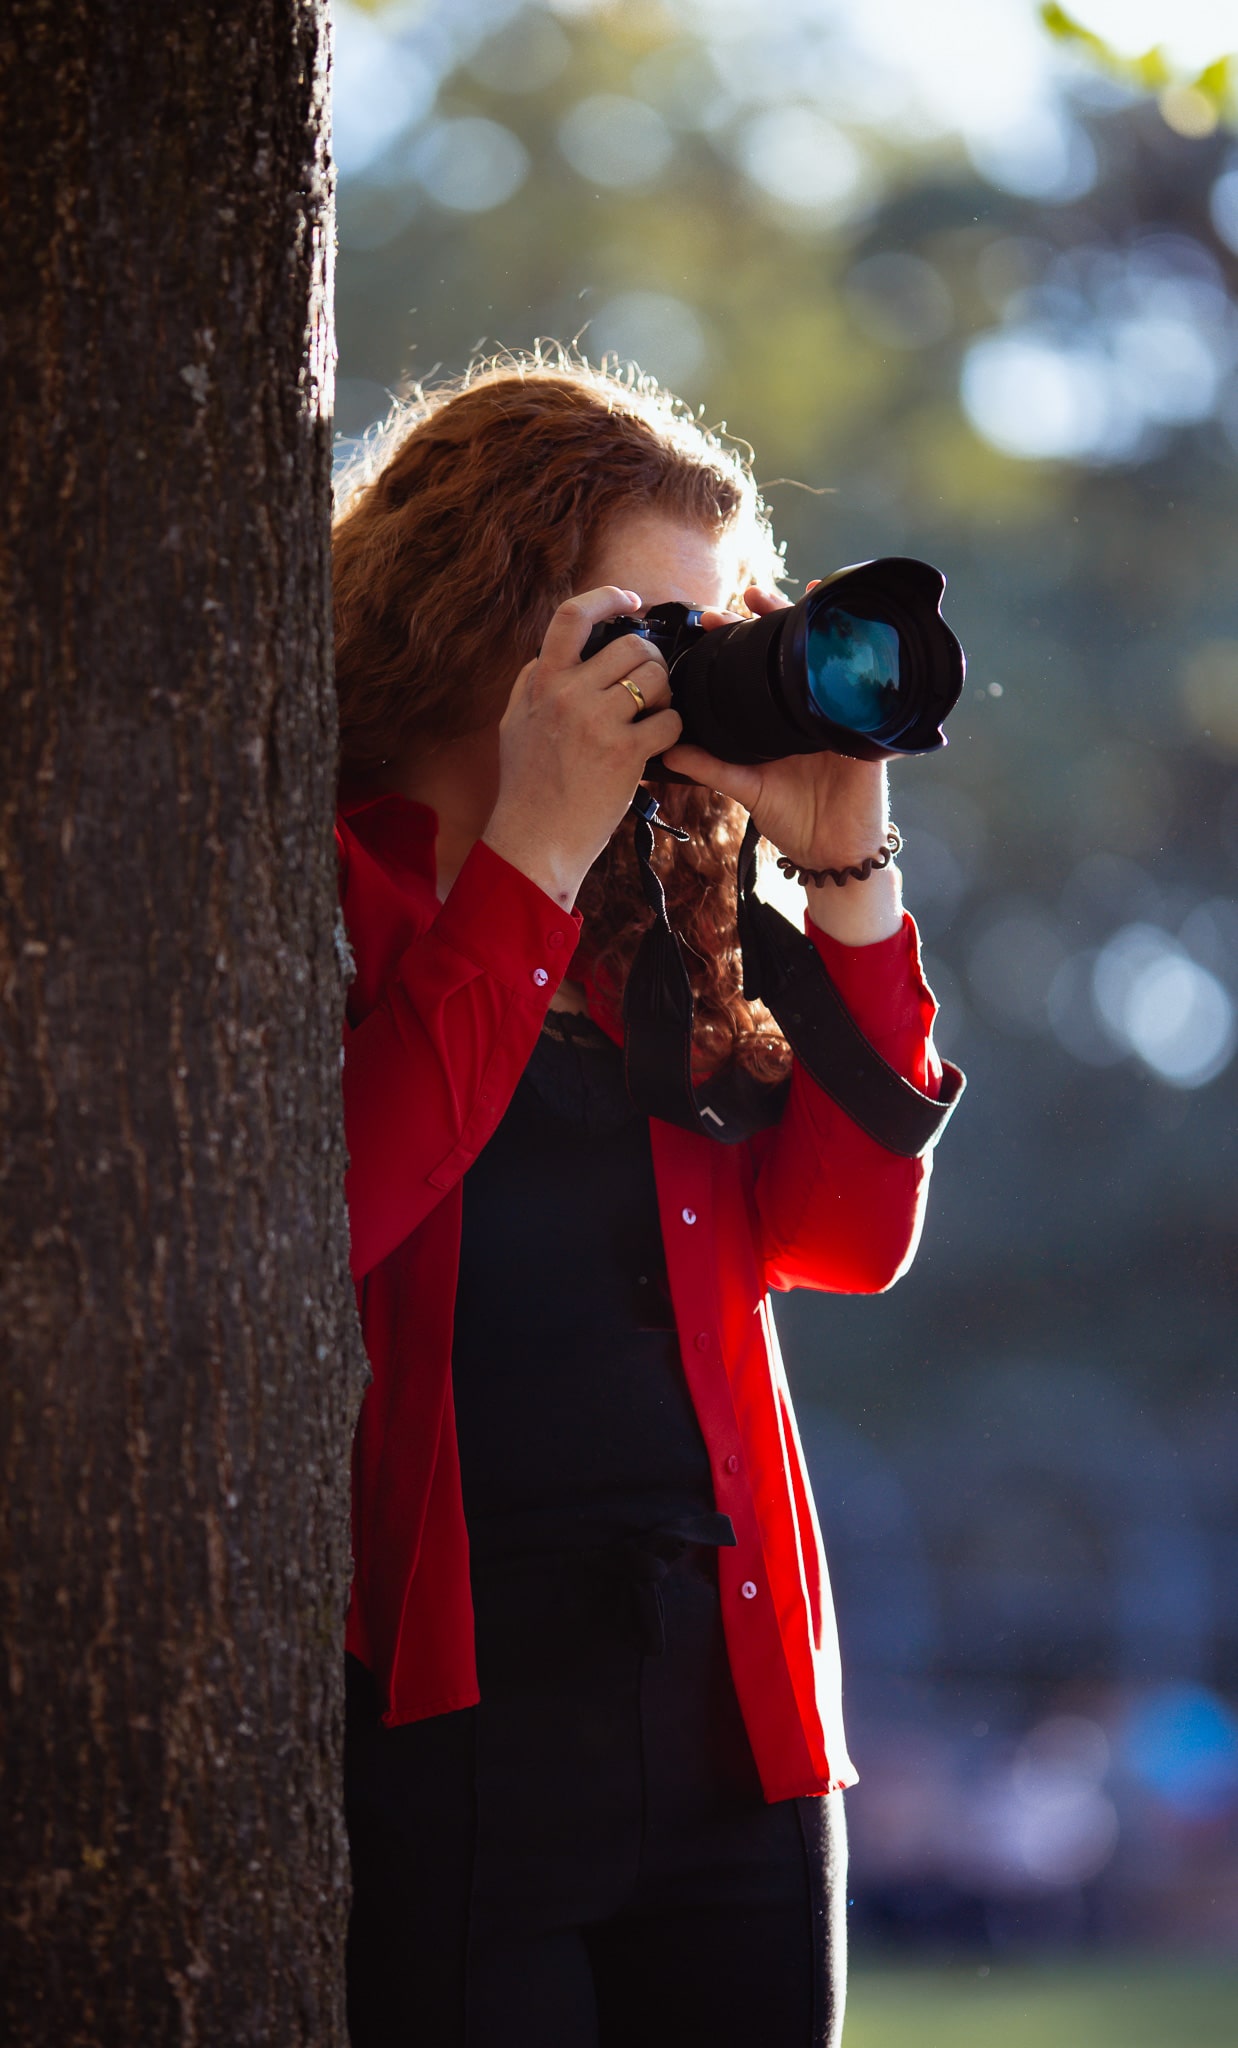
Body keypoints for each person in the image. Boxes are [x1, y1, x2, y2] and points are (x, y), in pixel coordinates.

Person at [332, 354, 952, 2048]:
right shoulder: (331, 885)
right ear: (484, 617)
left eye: (715, 630)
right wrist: (525, 852)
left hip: (735, 1718)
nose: (693, 681)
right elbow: (330, 1228)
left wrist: (838, 872)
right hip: (449, 1726)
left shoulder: (669, 928)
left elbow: (844, 1236)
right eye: (650, 632)